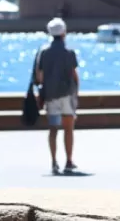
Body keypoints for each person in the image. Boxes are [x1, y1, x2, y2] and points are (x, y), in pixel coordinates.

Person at [34, 17, 79, 175]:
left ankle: (54, 162)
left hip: (51, 96)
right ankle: (68, 161)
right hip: (67, 95)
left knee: (53, 129)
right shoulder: (69, 52)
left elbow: (40, 76)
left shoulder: (44, 52)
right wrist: (76, 94)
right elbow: (74, 75)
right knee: (68, 128)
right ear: (64, 32)